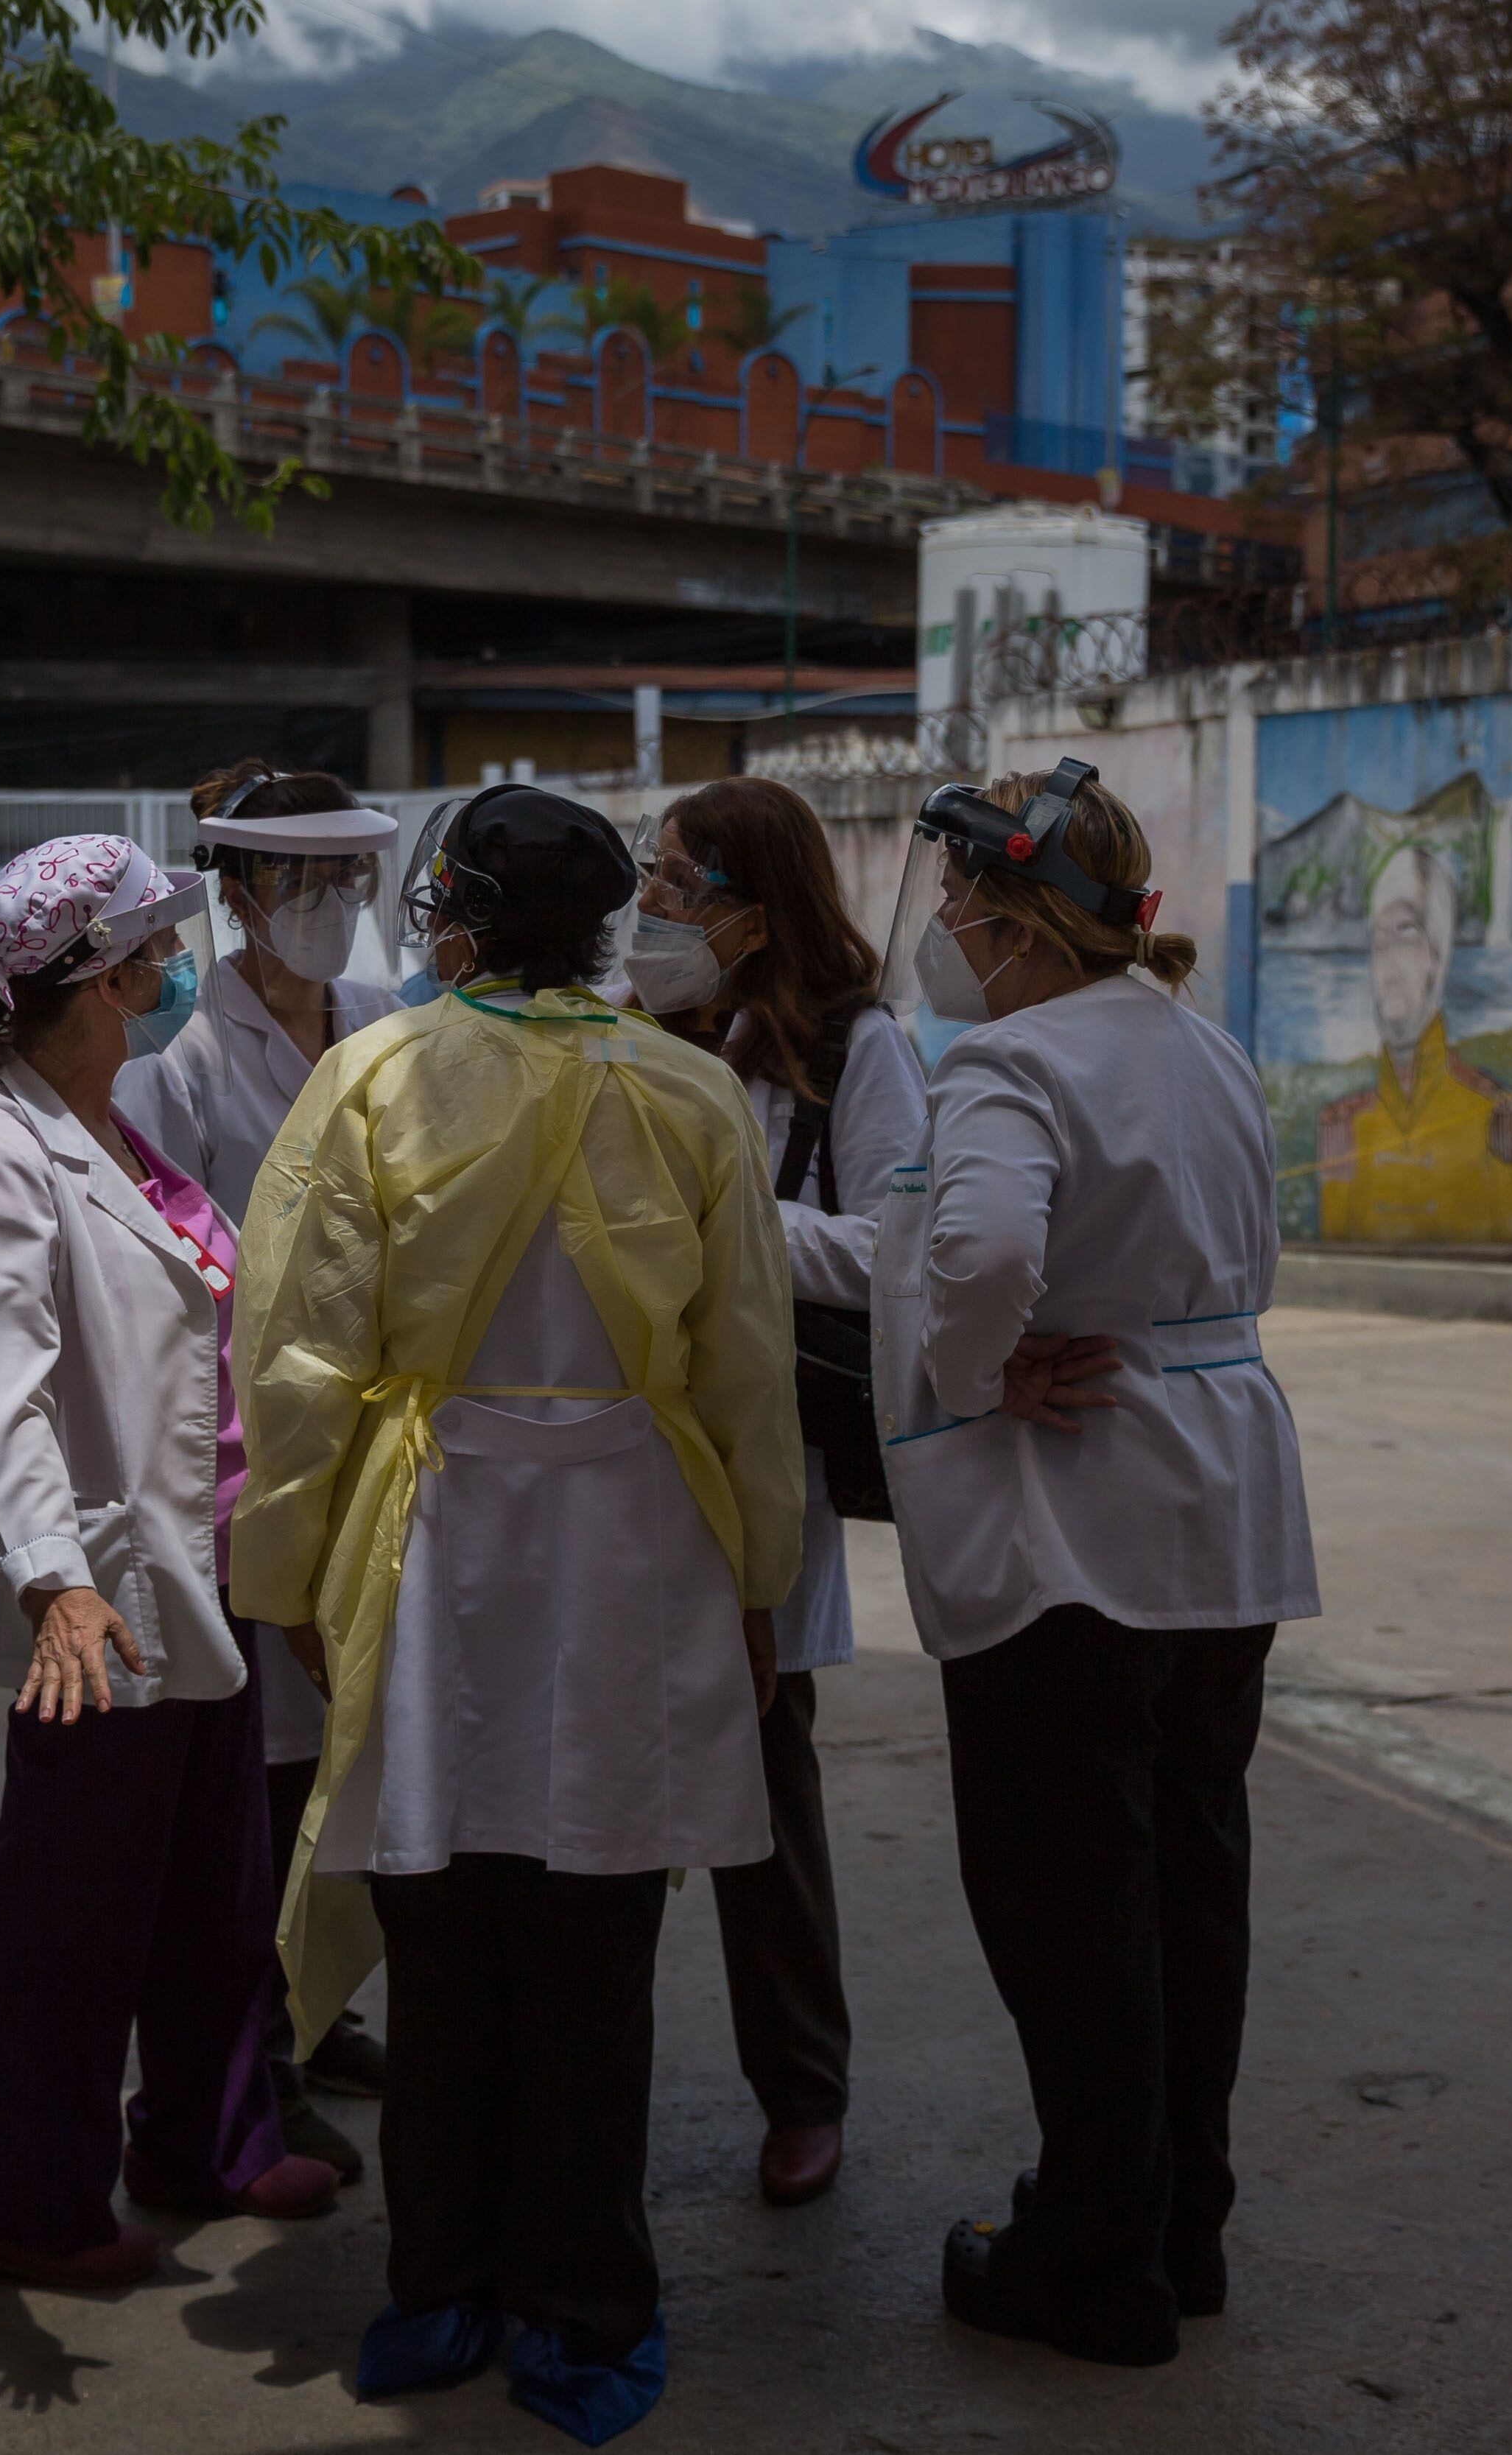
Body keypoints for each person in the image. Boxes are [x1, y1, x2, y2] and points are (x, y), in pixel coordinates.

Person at [229, 784, 802, 2444]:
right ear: (610, 931)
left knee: (442, 1919)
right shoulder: (689, 1092)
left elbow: (299, 1360)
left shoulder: (370, 1080)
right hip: (635, 1544)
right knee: (597, 1938)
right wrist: (758, 1580)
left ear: (450, 920)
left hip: (435, 1536)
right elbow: (747, 1377)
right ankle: (586, 2299)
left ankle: (441, 2283)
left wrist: (287, 1570)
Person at [872, 759, 1318, 2369]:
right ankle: (1174, 2221)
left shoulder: (1010, 1059)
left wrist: (977, 1373)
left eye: (954, 907)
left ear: (1005, 920)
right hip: (1225, 1518)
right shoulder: (1204, 1048)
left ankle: (1086, 2254)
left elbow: (985, 1254)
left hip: (1081, 1528)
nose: (939, 935)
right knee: (1190, 1884)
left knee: (1071, 1903)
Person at [0, 833, 339, 2293]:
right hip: (99, 1594)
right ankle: (13, 2199)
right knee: (69, 1905)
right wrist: (52, 1574)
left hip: (198, 1567)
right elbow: (2, 1391)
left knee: (209, 1888)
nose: (167, 975)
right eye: (147, 955)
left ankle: (203, 2137)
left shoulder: (107, 1128)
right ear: (97, 981)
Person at [618, 776, 918, 2209]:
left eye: (679, 881)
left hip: (759, 1452)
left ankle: (803, 2088)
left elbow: (889, 1251)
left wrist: (734, 1223)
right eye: (652, 880)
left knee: (763, 1778)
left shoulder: (856, 1048)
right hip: (622, 1444)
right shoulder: (641, 1031)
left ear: (752, 902)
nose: (654, 907)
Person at [116, 761, 404, 2179]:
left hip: (373, 1446)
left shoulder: (385, 1022)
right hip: (245, 1462)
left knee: (353, 1747)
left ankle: (320, 1998)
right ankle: (254, 2067)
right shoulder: (182, 1064)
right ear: (234, 897)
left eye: (349, 880)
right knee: (263, 1775)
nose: (331, 909)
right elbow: (165, 1284)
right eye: (301, 883)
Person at [1315, 843, 1512, 1243]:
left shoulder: (1495, 1115)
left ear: (1438, 956)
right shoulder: (1343, 1124)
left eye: (1405, 937)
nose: (1388, 968)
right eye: (1378, 944)